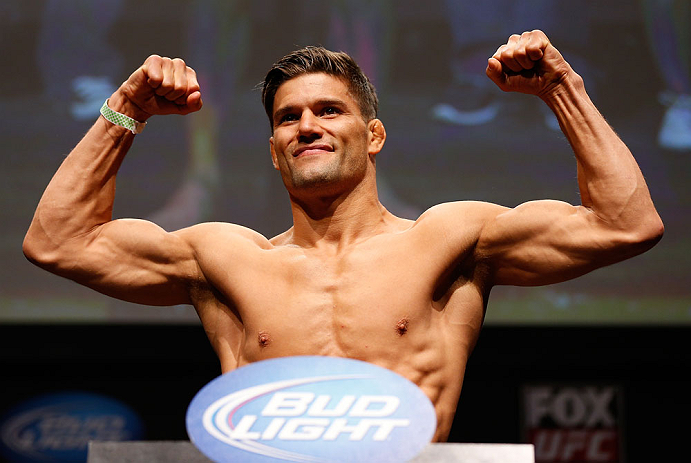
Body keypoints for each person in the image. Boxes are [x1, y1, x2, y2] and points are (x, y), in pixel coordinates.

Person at [23, 30, 663, 442]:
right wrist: (126, 110)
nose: (307, 126)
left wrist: (562, 89)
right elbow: (59, 242)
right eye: (288, 119)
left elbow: (625, 224)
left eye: (329, 110)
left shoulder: (449, 239)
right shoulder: (224, 257)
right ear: (274, 151)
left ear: (374, 135)